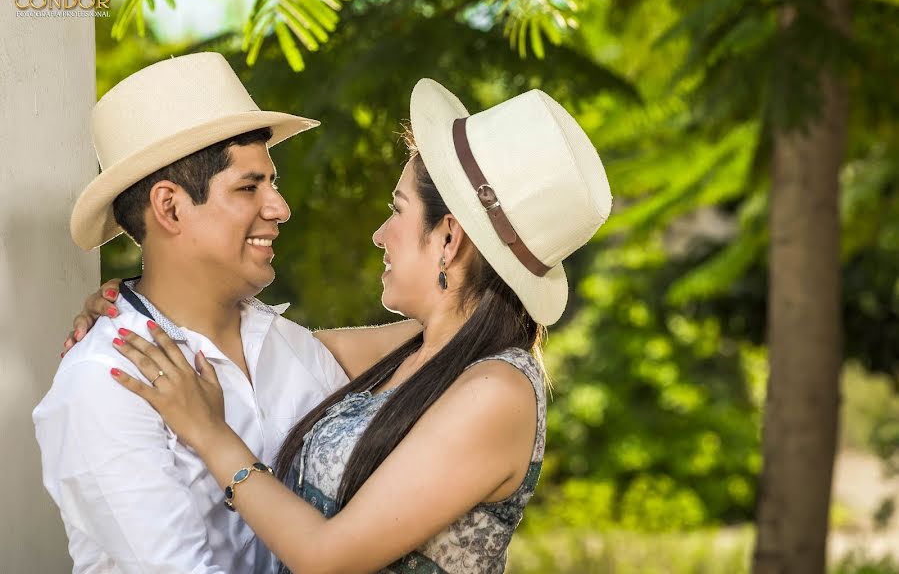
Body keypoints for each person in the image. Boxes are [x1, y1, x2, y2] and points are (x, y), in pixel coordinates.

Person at [64, 78, 612, 572]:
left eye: (396, 210)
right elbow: (256, 354)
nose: (380, 234)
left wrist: (211, 435)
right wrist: (132, 303)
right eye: (250, 187)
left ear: (448, 239)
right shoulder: (425, 352)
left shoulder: (496, 389)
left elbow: (327, 558)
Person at [34, 52, 417, 573]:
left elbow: (451, 337)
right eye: (248, 187)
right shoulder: (103, 382)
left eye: (272, 183)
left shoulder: (290, 348)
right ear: (169, 207)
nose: (280, 208)